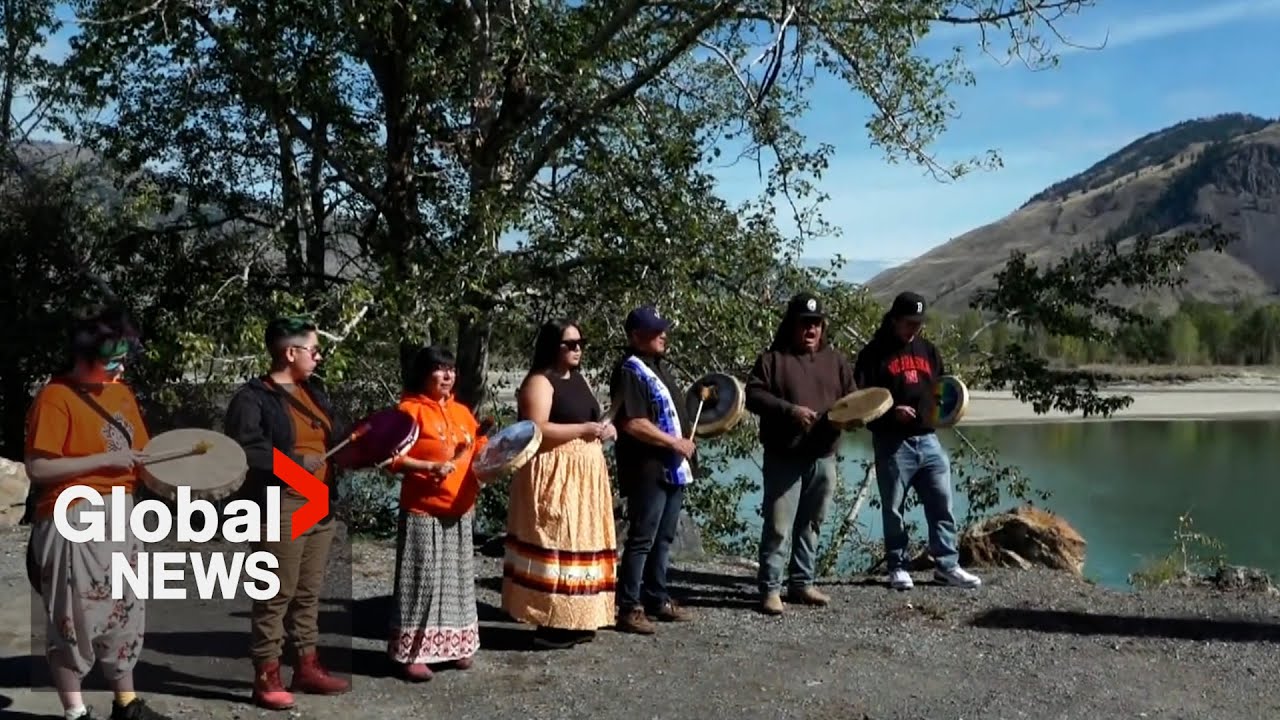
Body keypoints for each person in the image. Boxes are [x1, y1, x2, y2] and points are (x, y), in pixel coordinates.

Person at [23, 305, 174, 720]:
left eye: (124, 358)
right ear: (83, 355)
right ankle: (75, 713)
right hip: (73, 516)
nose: (120, 368)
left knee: (124, 611)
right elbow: (38, 467)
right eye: (112, 360)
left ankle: (126, 704)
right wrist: (101, 462)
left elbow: (139, 456)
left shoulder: (120, 393)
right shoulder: (55, 397)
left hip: (122, 513)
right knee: (75, 617)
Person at [223, 316, 351, 710]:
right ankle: (266, 675)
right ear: (290, 352)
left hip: (318, 500)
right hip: (280, 503)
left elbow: (337, 434)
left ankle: (307, 665)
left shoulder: (315, 390)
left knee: (308, 591)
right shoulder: (252, 398)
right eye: (313, 350)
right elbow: (245, 450)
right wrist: (296, 461)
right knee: (276, 591)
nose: (319, 356)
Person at [853, 292, 982, 591]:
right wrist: (890, 413)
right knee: (894, 508)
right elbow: (859, 404)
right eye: (909, 323)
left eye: (919, 323)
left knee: (942, 504)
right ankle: (897, 567)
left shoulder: (929, 351)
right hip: (892, 442)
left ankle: (947, 565)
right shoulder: (873, 354)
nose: (915, 329)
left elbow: (944, 389)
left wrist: (947, 410)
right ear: (894, 319)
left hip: (928, 439)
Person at [502, 320, 618, 649]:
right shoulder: (540, 381)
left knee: (581, 540)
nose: (577, 349)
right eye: (570, 344)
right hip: (554, 471)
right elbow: (535, 427)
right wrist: (584, 429)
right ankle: (551, 621)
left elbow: (591, 419)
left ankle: (577, 617)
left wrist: (605, 429)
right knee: (557, 538)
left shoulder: (578, 379)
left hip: (584, 474)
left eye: (581, 342)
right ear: (553, 346)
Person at [744, 292, 856, 615]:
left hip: (824, 455)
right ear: (792, 325)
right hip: (784, 456)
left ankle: (802, 583)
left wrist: (854, 416)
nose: (811, 330)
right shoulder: (772, 360)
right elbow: (752, 395)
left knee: (812, 523)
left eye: (816, 324)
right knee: (779, 526)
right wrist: (789, 410)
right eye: (805, 323)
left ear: (823, 327)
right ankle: (770, 589)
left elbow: (853, 399)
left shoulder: (836, 361)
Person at [384, 345, 489, 680]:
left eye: (452, 369)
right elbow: (389, 458)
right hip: (423, 510)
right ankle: (410, 653)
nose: (448, 375)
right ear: (423, 374)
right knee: (423, 581)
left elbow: (480, 450)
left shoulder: (462, 412)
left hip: (459, 509)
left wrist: (496, 461)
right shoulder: (408, 411)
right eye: (440, 369)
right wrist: (427, 466)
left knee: (456, 582)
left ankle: (456, 645)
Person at [608, 305, 697, 635]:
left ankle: (656, 597)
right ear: (635, 336)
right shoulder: (630, 370)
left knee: (665, 537)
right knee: (642, 538)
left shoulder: (656, 367)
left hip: (672, 468)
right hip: (648, 468)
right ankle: (629, 606)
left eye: (663, 329)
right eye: (655, 331)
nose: (663, 335)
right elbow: (632, 423)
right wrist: (674, 444)